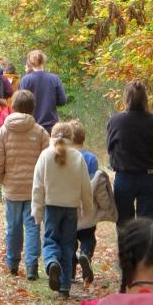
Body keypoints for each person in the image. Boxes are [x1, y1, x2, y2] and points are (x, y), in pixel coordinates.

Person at [0, 90, 50, 280]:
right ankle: (31, 267)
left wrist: (1, 180)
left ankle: (13, 263)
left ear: (13, 106)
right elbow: (48, 160)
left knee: (13, 227)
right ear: (33, 108)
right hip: (34, 189)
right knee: (33, 227)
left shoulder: (4, 131)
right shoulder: (40, 131)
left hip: (13, 188)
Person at [31, 121, 93, 298]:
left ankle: (52, 264)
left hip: (52, 207)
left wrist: (37, 210)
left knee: (50, 240)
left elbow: (37, 186)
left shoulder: (45, 155)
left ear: (52, 136)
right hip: (71, 209)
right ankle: (65, 286)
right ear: (72, 138)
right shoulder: (78, 157)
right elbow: (85, 186)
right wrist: (88, 208)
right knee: (67, 245)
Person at [107, 80, 153, 226]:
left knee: (125, 224)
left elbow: (110, 147)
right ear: (145, 99)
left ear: (126, 98)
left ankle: (127, 249)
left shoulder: (116, 121)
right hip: (149, 177)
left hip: (124, 177)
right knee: (147, 226)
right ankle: (144, 249)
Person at [69, 120, 101, 283]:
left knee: (70, 239)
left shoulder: (65, 156)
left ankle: (71, 268)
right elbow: (94, 184)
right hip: (87, 207)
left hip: (69, 206)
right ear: (83, 138)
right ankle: (85, 254)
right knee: (88, 236)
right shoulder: (91, 158)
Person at [19, 50, 67, 134]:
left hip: (31, 126)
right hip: (51, 126)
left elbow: (20, 104)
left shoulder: (25, 80)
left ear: (30, 63)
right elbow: (62, 101)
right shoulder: (54, 78)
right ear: (44, 61)